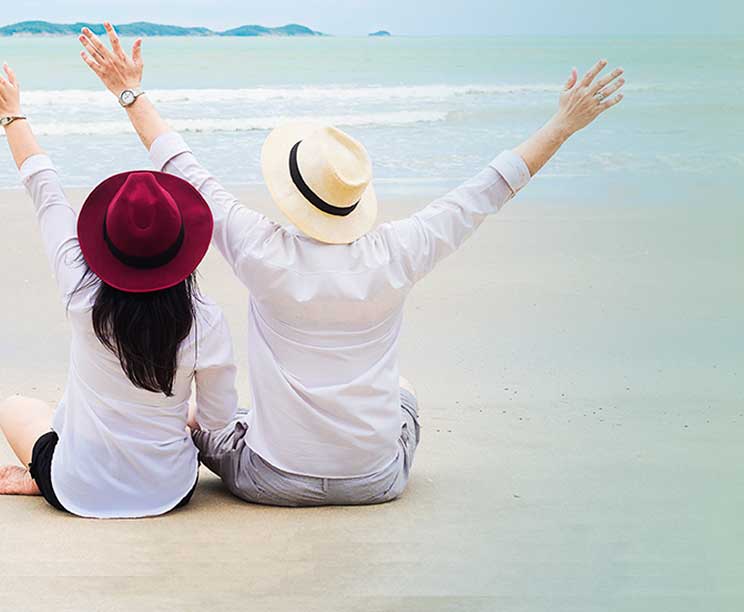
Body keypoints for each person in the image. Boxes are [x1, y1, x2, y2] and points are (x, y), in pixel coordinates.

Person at [78, 22, 625, 507]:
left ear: (289, 190)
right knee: (403, 392)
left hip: (271, 481)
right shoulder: (400, 251)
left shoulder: (261, 251)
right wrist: (564, 124)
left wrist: (128, 91)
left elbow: (183, 167)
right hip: (377, 482)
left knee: (206, 425)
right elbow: (487, 190)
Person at [0, 61, 239, 518]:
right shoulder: (204, 317)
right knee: (180, 420)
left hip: (75, 489)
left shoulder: (81, 293)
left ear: (105, 242)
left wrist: (12, 114)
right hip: (170, 492)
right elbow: (216, 421)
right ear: (181, 247)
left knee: (16, 407)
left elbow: (46, 192)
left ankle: (37, 475)